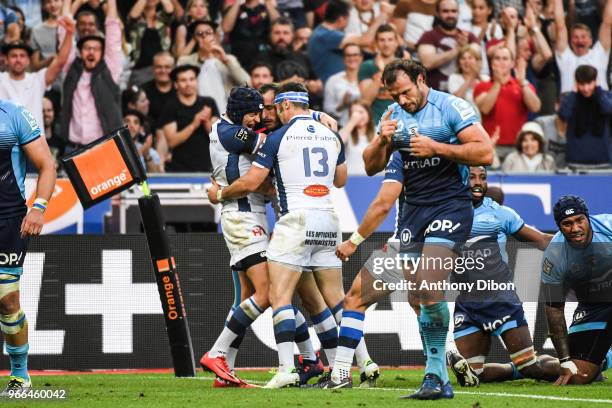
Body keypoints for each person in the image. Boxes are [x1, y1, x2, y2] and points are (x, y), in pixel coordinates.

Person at [362, 59, 493, 399]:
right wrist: (380, 141)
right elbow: (371, 166)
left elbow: (485, 152)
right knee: (418, 296)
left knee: (430, 287)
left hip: (450, 204)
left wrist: (437, 148)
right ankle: (437, 378)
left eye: (406, 91)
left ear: (421, 80)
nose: (402, 100)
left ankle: (435, 377)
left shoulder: (451, 107)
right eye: (395, 94)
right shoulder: (392, 115)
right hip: (413, 214)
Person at [207, 82, 348, 388]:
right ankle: (218, 353)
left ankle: (230, 367)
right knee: (270, 293)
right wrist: (314, 121)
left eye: (265, 111)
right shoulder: (230, 132)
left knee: (256, 296)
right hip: (243, 218)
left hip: (259, 219)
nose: (259, 119)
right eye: (256, 113)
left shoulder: (236, 130)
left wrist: (308, 119)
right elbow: (273, 150)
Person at [446, 166, 559, 387]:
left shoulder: (500, 213)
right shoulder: (444, 214)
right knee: (472, 375)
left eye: (483, 177)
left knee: (530, 367)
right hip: (468, 305)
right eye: (471, 177)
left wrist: (583, 244)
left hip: (500, 300)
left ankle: (592, 365)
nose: (478, 182)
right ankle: (514, 372)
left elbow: (542, 241)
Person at [0, 101, 56, 396]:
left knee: (7, 300)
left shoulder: (14, 115)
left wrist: (38, 208)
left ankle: (20, 375)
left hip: (7, 221)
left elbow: (47, 165)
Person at [542, 195, 612, 385]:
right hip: (593, 306)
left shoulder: (608, 226)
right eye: (567, 223)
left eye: (579, 220)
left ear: (587, 218)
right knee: (577, 376)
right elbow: (553, 308)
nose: (575, 229)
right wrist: (565, 360)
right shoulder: (554, 255)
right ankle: (605, 357)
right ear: (559, 226)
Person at [59, 0, 123, 150]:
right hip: (74, 148)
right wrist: (70, 2)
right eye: (87, 48)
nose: (91, 52)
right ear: (80, 53)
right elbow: (63, 34)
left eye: (96, 49)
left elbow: (113, 33)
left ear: (102, 53)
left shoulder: (110, 69)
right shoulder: (71, 69)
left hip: (103, 147)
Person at [0, 18, 73, 133]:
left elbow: (60, 62)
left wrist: (69, 33)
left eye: (22, 56)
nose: (18, 59)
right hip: (7, 147)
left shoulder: (37, 80)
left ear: (28, 60)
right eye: (14, 56)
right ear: (6, 59)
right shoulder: (1, 79)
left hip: (36, 146)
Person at [474, 46, 541, 159]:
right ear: (492, 63)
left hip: (518, 147)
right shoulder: (482, 86)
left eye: (505, 59)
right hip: (492, 145)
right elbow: (485, 109)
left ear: (512, 63)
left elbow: (535, 107)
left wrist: (522, 83)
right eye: (497, 58)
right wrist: (498, 83)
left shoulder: (523, 85)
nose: (501, 62)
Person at [177, 19, 250, 113]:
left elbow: (247, 83)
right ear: (195, 39)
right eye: (199, 34)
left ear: (215, 36)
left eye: (208, 32)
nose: (204, 36)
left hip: (227, 115)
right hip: (198, 115)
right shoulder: (186, 61)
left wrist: (225, 61)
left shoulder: (228, 59)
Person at [307, 0, 388, 83]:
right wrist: (383, 15)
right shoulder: (326, 35)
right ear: (341, 19)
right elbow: (365, 40)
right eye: (348, 17)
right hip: (333, 85)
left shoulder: (322, 32)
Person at [158, 64, 219, 172]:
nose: (188, 84)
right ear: (176, 84)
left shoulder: (209, 103)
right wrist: (193, 124)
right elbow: (172, 141)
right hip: (179, 169)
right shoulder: (170, 106)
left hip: (208, 167)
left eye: (192, 79)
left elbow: (217, 137)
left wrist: (206, 122)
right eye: (183, 80)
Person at [416, 0, 479, 92]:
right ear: (437, 13)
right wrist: (457, 49)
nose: (450, 15)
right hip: (436, 94)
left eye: (454, 11)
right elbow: (427, 63)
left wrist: (465, 48)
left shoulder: (469, 36)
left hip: (465, 93)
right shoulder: (428, 36)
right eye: (445, 11)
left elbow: (478, 63)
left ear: (458, 13)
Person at [557, 65, 612, 169]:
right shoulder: (570, 98)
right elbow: (563, 114)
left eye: (589, 83)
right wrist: (573, 92)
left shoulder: (606, 95)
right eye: (581, 84)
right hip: (575, 161)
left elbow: (608, 109)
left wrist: (599, 90)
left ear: (596, 81)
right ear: (576, 83)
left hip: (603, 161)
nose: (586, 89)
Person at [553, 0, 611, 93]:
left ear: (591, 41)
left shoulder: (599, 54)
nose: (579, 40)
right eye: (576, 37)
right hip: (572, 105)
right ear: (571, 41)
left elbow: (607, 23)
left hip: (598, 104)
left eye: (583, 37)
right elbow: (560, 26)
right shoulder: (565, 57)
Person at [359, 24, 410, 125]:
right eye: (382, 40)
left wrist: (407, 69)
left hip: (402, 124)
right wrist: (381, 74)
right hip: (376, 125)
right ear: (376, 43)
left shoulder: (406, 65)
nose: (386, 44)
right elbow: (365, 101)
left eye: (390, 40)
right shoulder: (368, 66)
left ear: (396, 42)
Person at [127, 0, 175, 86]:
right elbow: (133, 16)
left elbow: (170, 10)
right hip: (141, 69)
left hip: (163, 68)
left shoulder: (162, 18)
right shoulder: (136, 19)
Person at [221, 0, 280, 69]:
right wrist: (237, 2)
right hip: (240, 58)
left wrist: (267, 2)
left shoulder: (267, 8)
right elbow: (226, 28)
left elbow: (279, 25)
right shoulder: (234, 9)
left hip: (264, 58)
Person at [324, 43, 362, 127]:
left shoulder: (367, 79)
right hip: (341, 126)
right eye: (348, 55)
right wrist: (342, 105)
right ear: (343, 58)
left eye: (355, 55)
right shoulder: (333, 80)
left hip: (365, 129)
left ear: (361, 57)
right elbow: (327, 109)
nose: (352, 58)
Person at [339, 101, 375, 175]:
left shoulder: (377, 132)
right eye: (354, 113)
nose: (358, 116)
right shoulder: (347, 132)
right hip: (351, 178)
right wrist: (352, 122)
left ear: (368, 113)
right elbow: (337, 142)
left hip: (372, 179)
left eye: (361, 112)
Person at [448, 46, 487, 112]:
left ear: (477, 61)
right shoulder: (454, 77)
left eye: (470, 58)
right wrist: (470, 77)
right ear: (459, 63)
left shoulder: (485, 78)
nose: (466, 61)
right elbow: (456, 100)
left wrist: (478, 76)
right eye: (463, 58)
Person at [30, 0, 63, 71]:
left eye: (56, 0)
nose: (53, 5)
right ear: (43, 6)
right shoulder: (36, 31)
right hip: (47, 78)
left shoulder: (72, 26)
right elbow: (34, 66)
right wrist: (47, 61)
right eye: (48, 2)